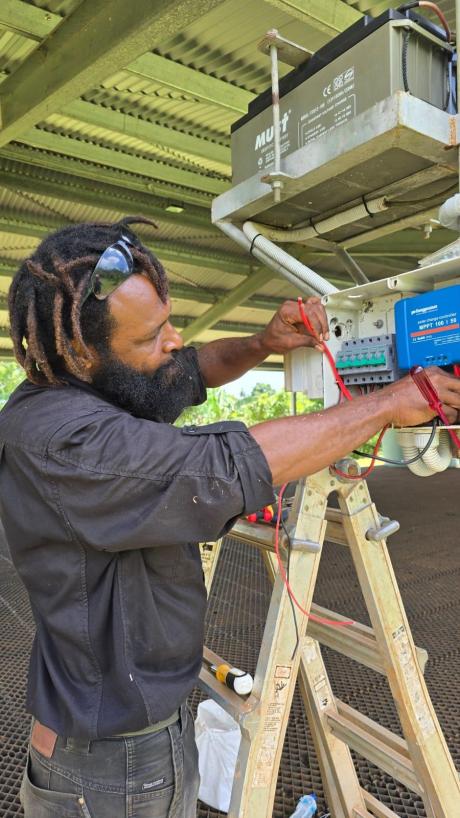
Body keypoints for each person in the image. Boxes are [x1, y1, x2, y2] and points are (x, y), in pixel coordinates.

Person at [1, 217, 459, 818]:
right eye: (151, 336)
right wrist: (389, 404)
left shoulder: (80, 388)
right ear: (81, 350)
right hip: (114, 767)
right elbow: (219, 465)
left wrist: (263, 344)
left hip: (115, 738)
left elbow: (180, 373)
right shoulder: (69, 443)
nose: (173, 342)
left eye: (167, 324)